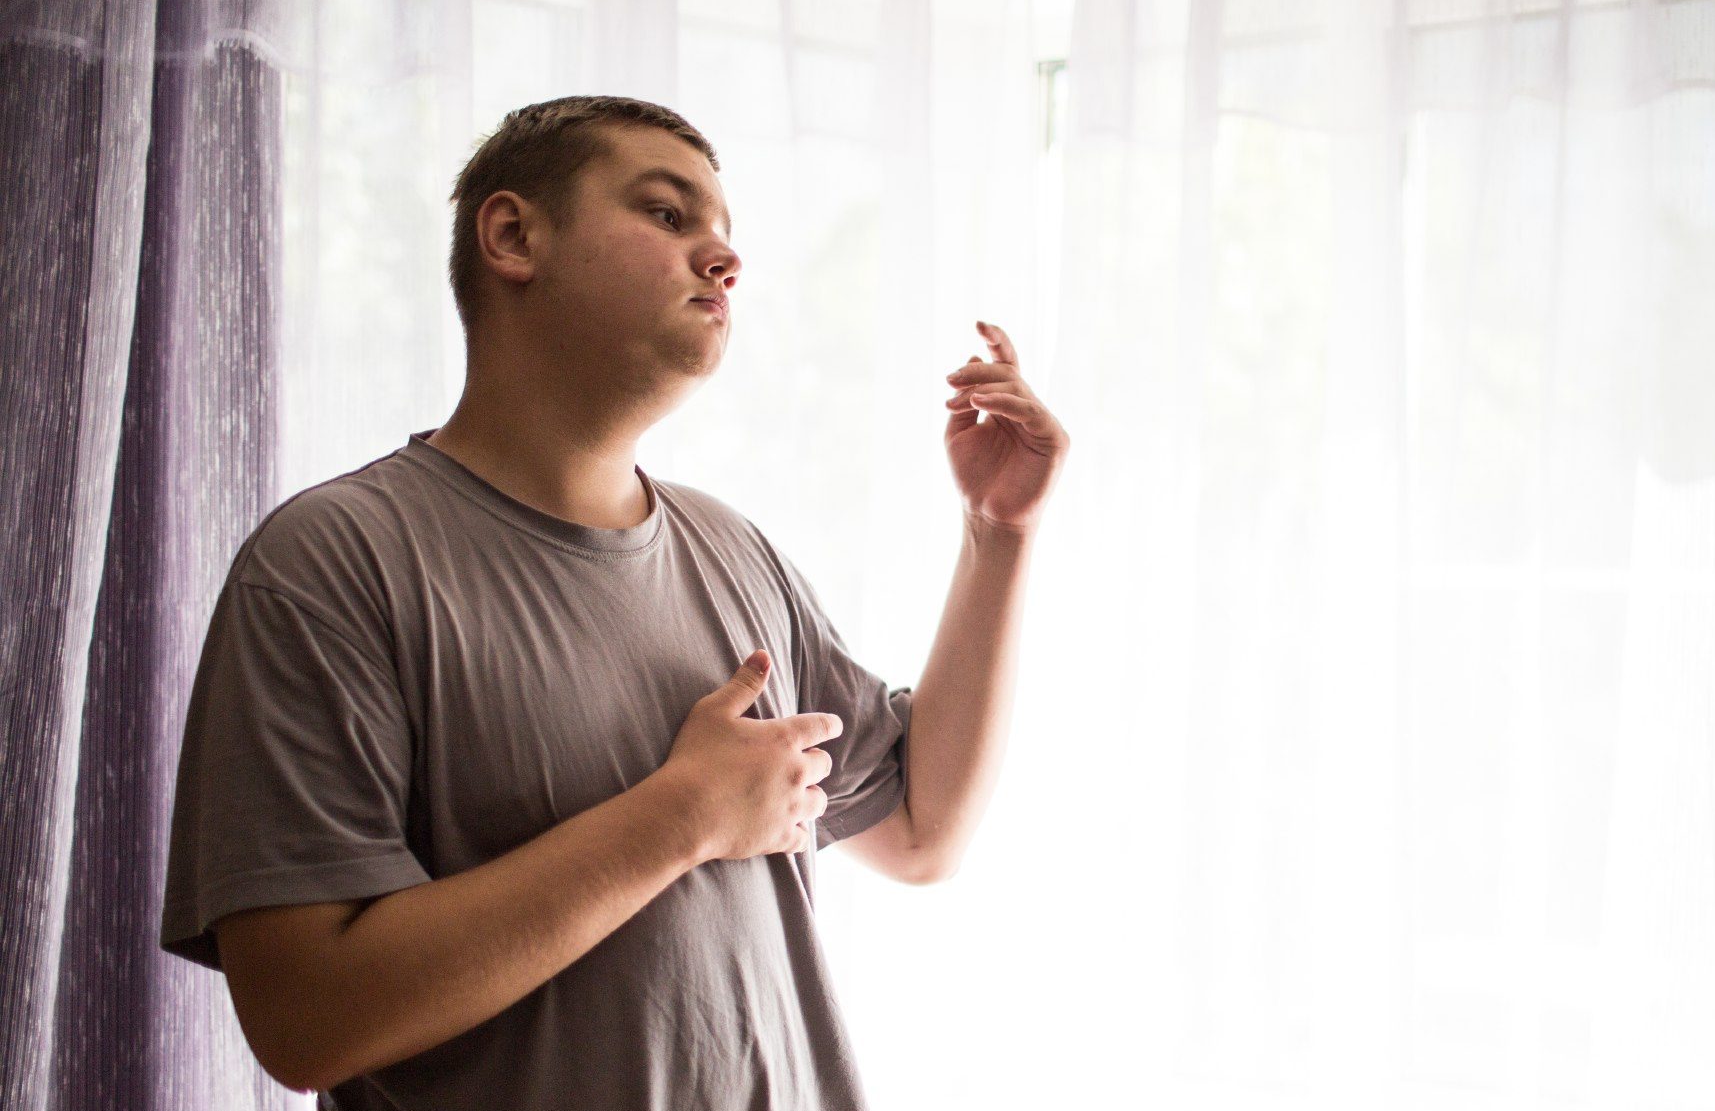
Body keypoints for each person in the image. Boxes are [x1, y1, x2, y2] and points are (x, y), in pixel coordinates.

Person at [158, 94, 1069, 1110]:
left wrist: (999, 532)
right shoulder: (330, 564)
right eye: (668, 215)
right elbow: (306, 1018)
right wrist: (680, 815)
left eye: (725, 234)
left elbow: (920, 828)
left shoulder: (735, 549)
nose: (723, 259)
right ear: (513, 236)